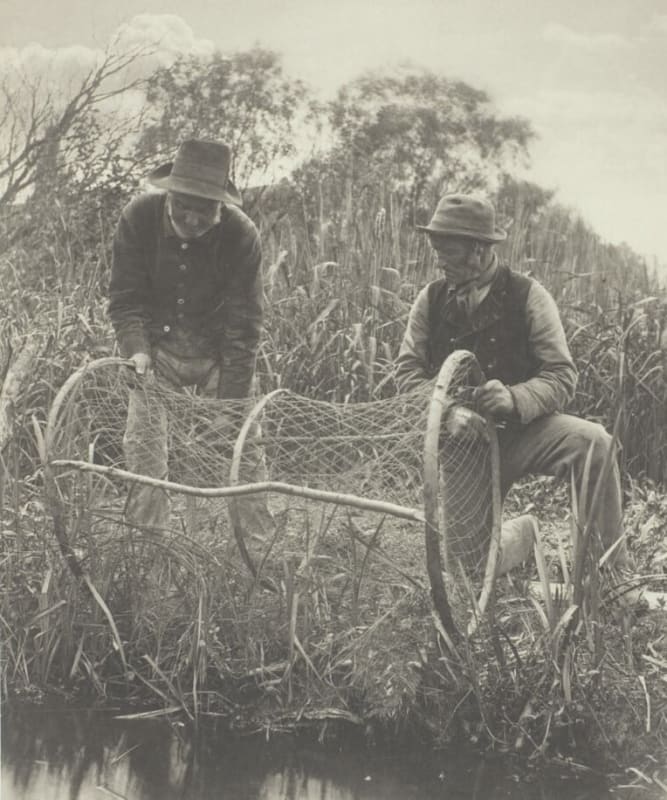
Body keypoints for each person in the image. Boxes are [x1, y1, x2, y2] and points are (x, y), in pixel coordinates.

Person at [396, 193, 629, 571]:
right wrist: (448, 413)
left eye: (446, 251)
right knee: (467, 571)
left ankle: (609, 577)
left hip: (525, 430)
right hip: (464, 441)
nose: (436, 260)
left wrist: (515, 398)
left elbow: (562, 374)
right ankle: (521, 534)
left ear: (478, 249)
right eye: (434, 248)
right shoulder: (430, 299)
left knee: (594, 443)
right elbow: (406, 374)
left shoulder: (530, 296)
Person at [108, 138, 273, 540]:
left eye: (206, 209)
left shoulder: (241, 235)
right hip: (158, 354)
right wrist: (138, 351)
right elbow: (125, 300)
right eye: (184, 206)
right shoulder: (138, 217)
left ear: (222, 205)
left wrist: (231, 407)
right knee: (143, 446)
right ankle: (149, 548)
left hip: (218, 354)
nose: (193, 218)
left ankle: (255, 551)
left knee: (244, 448)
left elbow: (244, 325)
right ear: (170, 195)